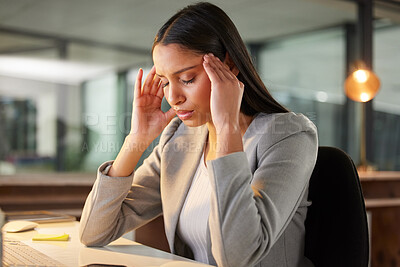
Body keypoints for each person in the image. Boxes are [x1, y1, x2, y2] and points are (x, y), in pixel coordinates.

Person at [79, 2, 318, 267]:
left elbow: (237, 257)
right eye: (165, 82)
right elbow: (94, 231)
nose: (173, 97)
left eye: (188, 79)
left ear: (229, 65)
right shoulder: (179, 140)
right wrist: (136, 140)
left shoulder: (289, 137)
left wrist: (226, 127)